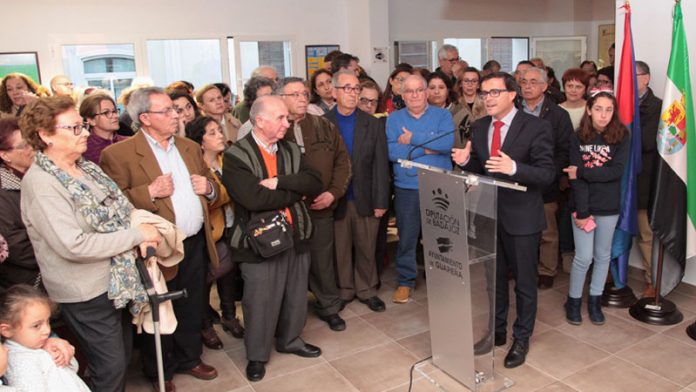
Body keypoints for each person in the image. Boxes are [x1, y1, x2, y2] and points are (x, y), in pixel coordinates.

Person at [19, 95, 162, 392]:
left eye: (82, 125)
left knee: (120, 358)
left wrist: (140, 222)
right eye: (73, 128)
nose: (84, 132)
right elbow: (74, 245)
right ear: (45, 135)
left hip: (115, 280)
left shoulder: (86, 167)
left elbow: (121, 208)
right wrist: (138, 235)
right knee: (109, 366)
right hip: (84, 291)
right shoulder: (42, 183)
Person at [100, 87, 220, 391]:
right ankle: (160, 371)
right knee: (158, 310)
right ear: (144, 118)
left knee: (193, 305)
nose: (175, 115)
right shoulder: (118, 154)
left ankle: (190, 357)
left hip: (194, 242)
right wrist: (149, 193)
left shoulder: (190, 147)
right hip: (156, 250)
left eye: (174, 109)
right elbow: (109, 207)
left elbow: (218, 191)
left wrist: (209, 188)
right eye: (166, 111)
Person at [451, 72, 555, 368]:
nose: (488, 98)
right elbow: (483, 168)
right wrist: (466, 163)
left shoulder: (536, 127)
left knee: (524, 282)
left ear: (512, 94)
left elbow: (547, 174)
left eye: (495, 92)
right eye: (484, 93)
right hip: (488, 214)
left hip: (521, 218)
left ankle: (521, 338)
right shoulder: (481, 125)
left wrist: (515, 168)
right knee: (493, 282)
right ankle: (495, 332)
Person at [221, 95, 324, 382]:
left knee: (295, 294)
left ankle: (290, 340)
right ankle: (257, 355)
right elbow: (253, 198)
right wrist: (297, 194)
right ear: (259, 120)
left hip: (297, 234)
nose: (286, 122)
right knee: (260, 301)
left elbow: (315, 182)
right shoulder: (235, 156)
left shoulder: (290, 149)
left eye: (286, 117)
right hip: (259, 244)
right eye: (280, 117)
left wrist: (280, 182)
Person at [277, 77, 351, 330]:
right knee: (287, 264)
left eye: (305, 94)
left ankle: (329, 306)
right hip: (286, 210)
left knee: (323, 259)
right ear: (281, 99)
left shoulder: (323, 125)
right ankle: (287, 314)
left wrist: (333, 193)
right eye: (295, 94)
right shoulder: (272, 128)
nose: (302, 99)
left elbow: (342, 162)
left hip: (321, 207)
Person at [387, 74, 455, 303]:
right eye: (409, 91)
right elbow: (393, 152)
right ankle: (406, 281)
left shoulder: (443, 115)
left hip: (440, 185)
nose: (414, 95)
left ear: (426, 93)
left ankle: (445, 281)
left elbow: (447, 144)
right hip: (407, 187)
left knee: (441, 237)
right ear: (402, 95)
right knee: (407, 237)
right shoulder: (393, 119)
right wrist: (427, 148)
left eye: (418, 90)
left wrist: (413, 138)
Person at [326, 71, 389, 313]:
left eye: (355, 89)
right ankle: (345, 289)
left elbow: (381, 165)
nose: (353, 93)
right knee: (340, 248)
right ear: (334, 92)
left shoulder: (371, 123)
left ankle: (366, 289)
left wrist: (381, 200)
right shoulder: (323, 122)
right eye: (347, 88)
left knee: (366, 246)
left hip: (366, 197)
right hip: (336, 199)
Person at [563, 91, 628, 326]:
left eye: (608, 110)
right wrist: (582, 211)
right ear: (589, 110)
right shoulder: (578, 136)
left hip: (609, 207)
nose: (603, 115)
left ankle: (594, 301)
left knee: (603, 256)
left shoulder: (622, 136)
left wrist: (581, 171)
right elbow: (576, 181)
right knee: (583, 257)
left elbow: (616, 172)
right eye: (598, 109)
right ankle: (573, 301)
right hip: (583, 205)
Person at [185, 116, 245, 349]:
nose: (220, 135)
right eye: (212, 133)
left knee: (229, 275)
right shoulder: (195, 167)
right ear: (200, 141)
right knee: (207, 277)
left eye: (219, 130)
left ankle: (229, 316)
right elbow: (208, 201)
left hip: (233, 225)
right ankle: (205, 325)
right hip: (210, 231)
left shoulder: (227, 159)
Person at [518, 67, 572, 289]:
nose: (527, 86)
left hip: (545, 181)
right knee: (519, 228)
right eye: (523, 82)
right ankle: (520, 266)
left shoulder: (558, 114)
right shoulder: (512, 110)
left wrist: (548, 173)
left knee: (547, 230)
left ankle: (546, 270)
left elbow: (564, 151)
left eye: (533, 82)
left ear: (544, 86)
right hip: (516, 178)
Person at [0, 285, 89, 392]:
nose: (47, 330)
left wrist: (65, 358)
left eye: (47, 322)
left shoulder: (38, 344)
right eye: (36, 326)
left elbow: (71, 373)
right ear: (7, 330)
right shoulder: (20, 362)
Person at [0, 118, 39, 291]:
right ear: (5, 155)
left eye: (31, 142)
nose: (31, 149)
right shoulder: (4, 192)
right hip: (27, 284)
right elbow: (16, 247)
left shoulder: (38, 176)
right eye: (23, 145)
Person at [635, 60, 663, 298]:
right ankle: (614, 277)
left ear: (647, 78)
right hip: (618, 181)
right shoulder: (617, 104)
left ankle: (652, 282)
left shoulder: (658, 107)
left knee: (646, 235)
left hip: (644, 181)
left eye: (635, 76)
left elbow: (646, 143)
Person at [80, 93, 127, 164]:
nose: (115, 116)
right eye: (106, 112)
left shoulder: (129, 142)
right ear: (91, 120)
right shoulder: (84, 148)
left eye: (114, 111)